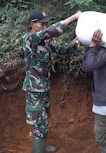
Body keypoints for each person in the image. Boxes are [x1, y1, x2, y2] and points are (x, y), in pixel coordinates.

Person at [22, 10, 81, 153]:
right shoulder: (30, 38)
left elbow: (59, 49)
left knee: (44, 117)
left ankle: (41, 147)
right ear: (32, 24)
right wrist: (73, 17)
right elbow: (51, 31)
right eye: (41, 24)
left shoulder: (45, 40)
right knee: (38, 121)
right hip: (35, 88)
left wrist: (72, 44)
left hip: (44, 86)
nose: (44, 26)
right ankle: (38, 150)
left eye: (46, 23)